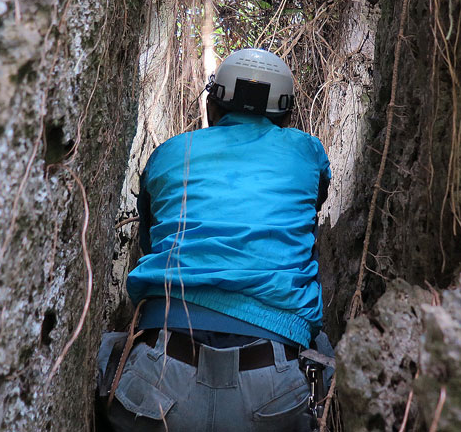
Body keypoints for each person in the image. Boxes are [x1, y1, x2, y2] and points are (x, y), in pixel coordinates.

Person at [96, 48, 332, 432]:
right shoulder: (307, 152)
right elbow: (310, 212)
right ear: (286, 116)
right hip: (274, 384)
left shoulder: (169, 153)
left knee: (108, 352)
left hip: (159, 378)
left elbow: (151, 239)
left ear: (212, 104)